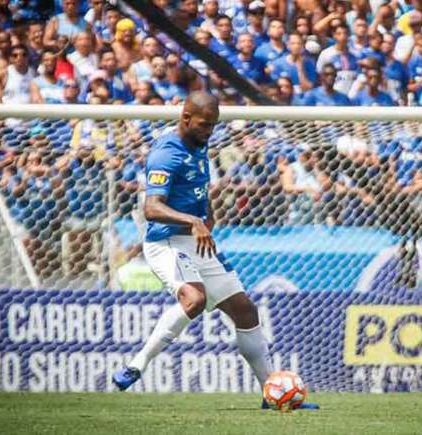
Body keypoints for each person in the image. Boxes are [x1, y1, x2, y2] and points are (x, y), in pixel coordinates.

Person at [111, 92, 318, 409]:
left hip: (196, 242)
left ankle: (270, 394)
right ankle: (135, 366)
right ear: (185, 118)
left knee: (245, 310)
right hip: (166, 242)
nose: (209, 131)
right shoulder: (166, 154)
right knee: (194, 299)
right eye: (204, 125)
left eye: (213, 126)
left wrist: (207, 215)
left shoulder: (200, 143)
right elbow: (152, 208)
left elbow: (197, 189)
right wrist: (194, 220)